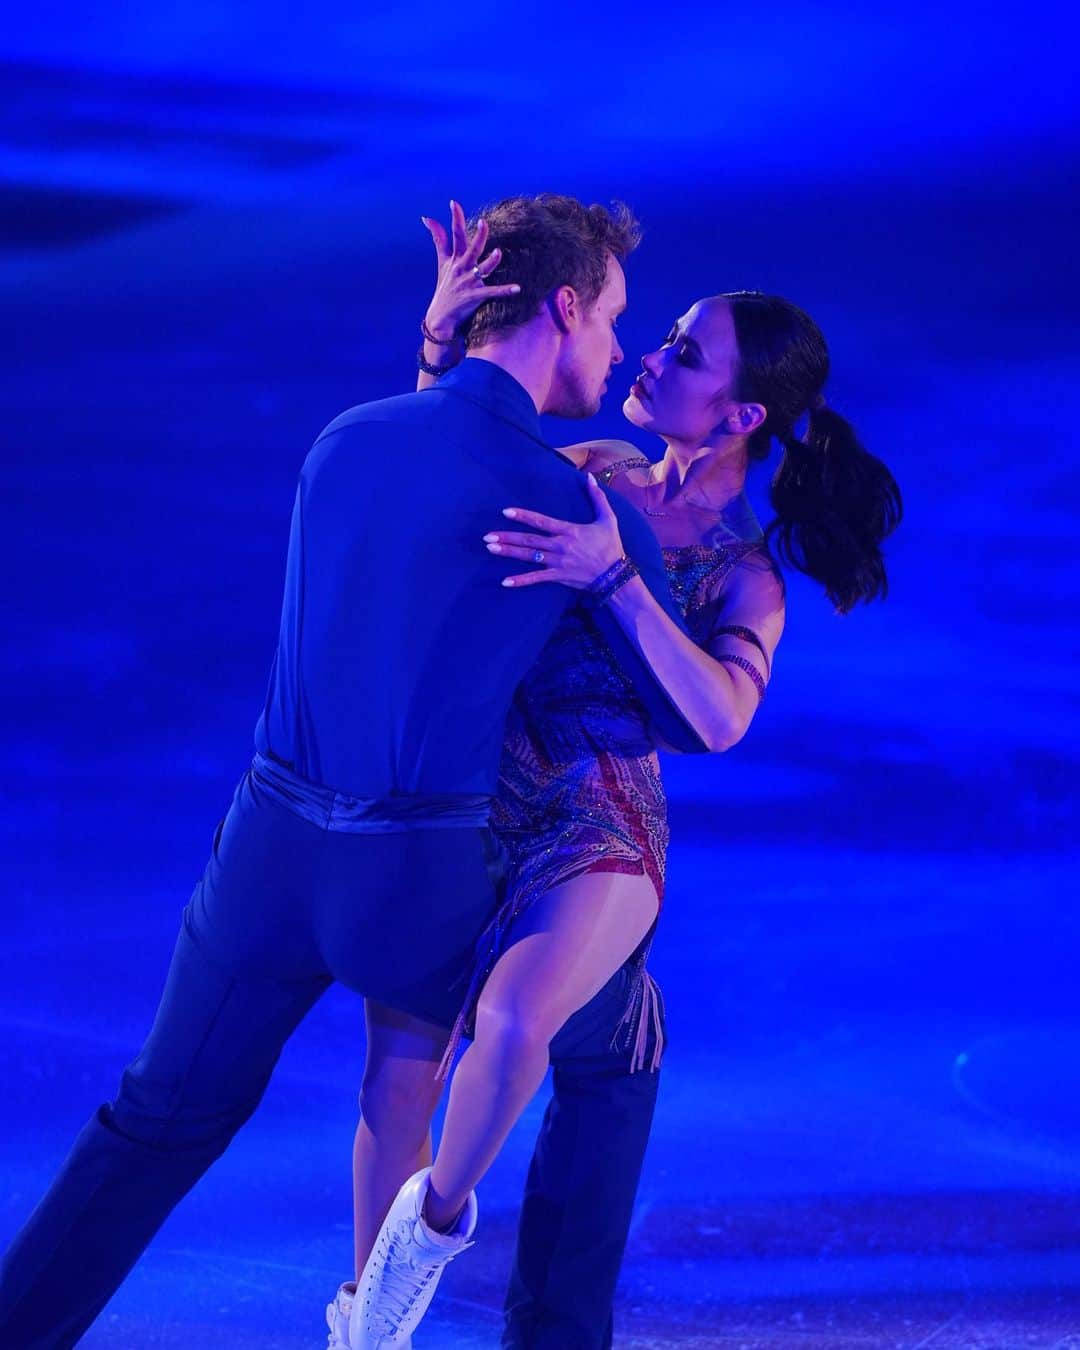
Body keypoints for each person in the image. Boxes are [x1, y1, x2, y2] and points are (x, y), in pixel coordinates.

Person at [0, 193, 709, 1350]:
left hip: (264, 870)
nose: (623, 348)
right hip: (412, 893)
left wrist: (438, 355)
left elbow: (436, 475)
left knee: (156, 1120)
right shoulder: (583, 504)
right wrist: (616, 577)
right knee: (613, 1036)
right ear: (566, 304)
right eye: (615, 316)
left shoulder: (345, 440)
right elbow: (689, 722)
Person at [350, 204, 903, 1348]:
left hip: (600, 815)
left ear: (743, 413)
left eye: (686, 353)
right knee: (402, 1069)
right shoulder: (592, 468)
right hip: (480, 782)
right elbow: (431, 486)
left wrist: (617, 582)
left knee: (508, 1027)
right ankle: (368, 1327)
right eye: (663, 337)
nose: (652, 355)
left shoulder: (749, 579)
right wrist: (437, 352)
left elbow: (718, 717)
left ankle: (428, 1237)